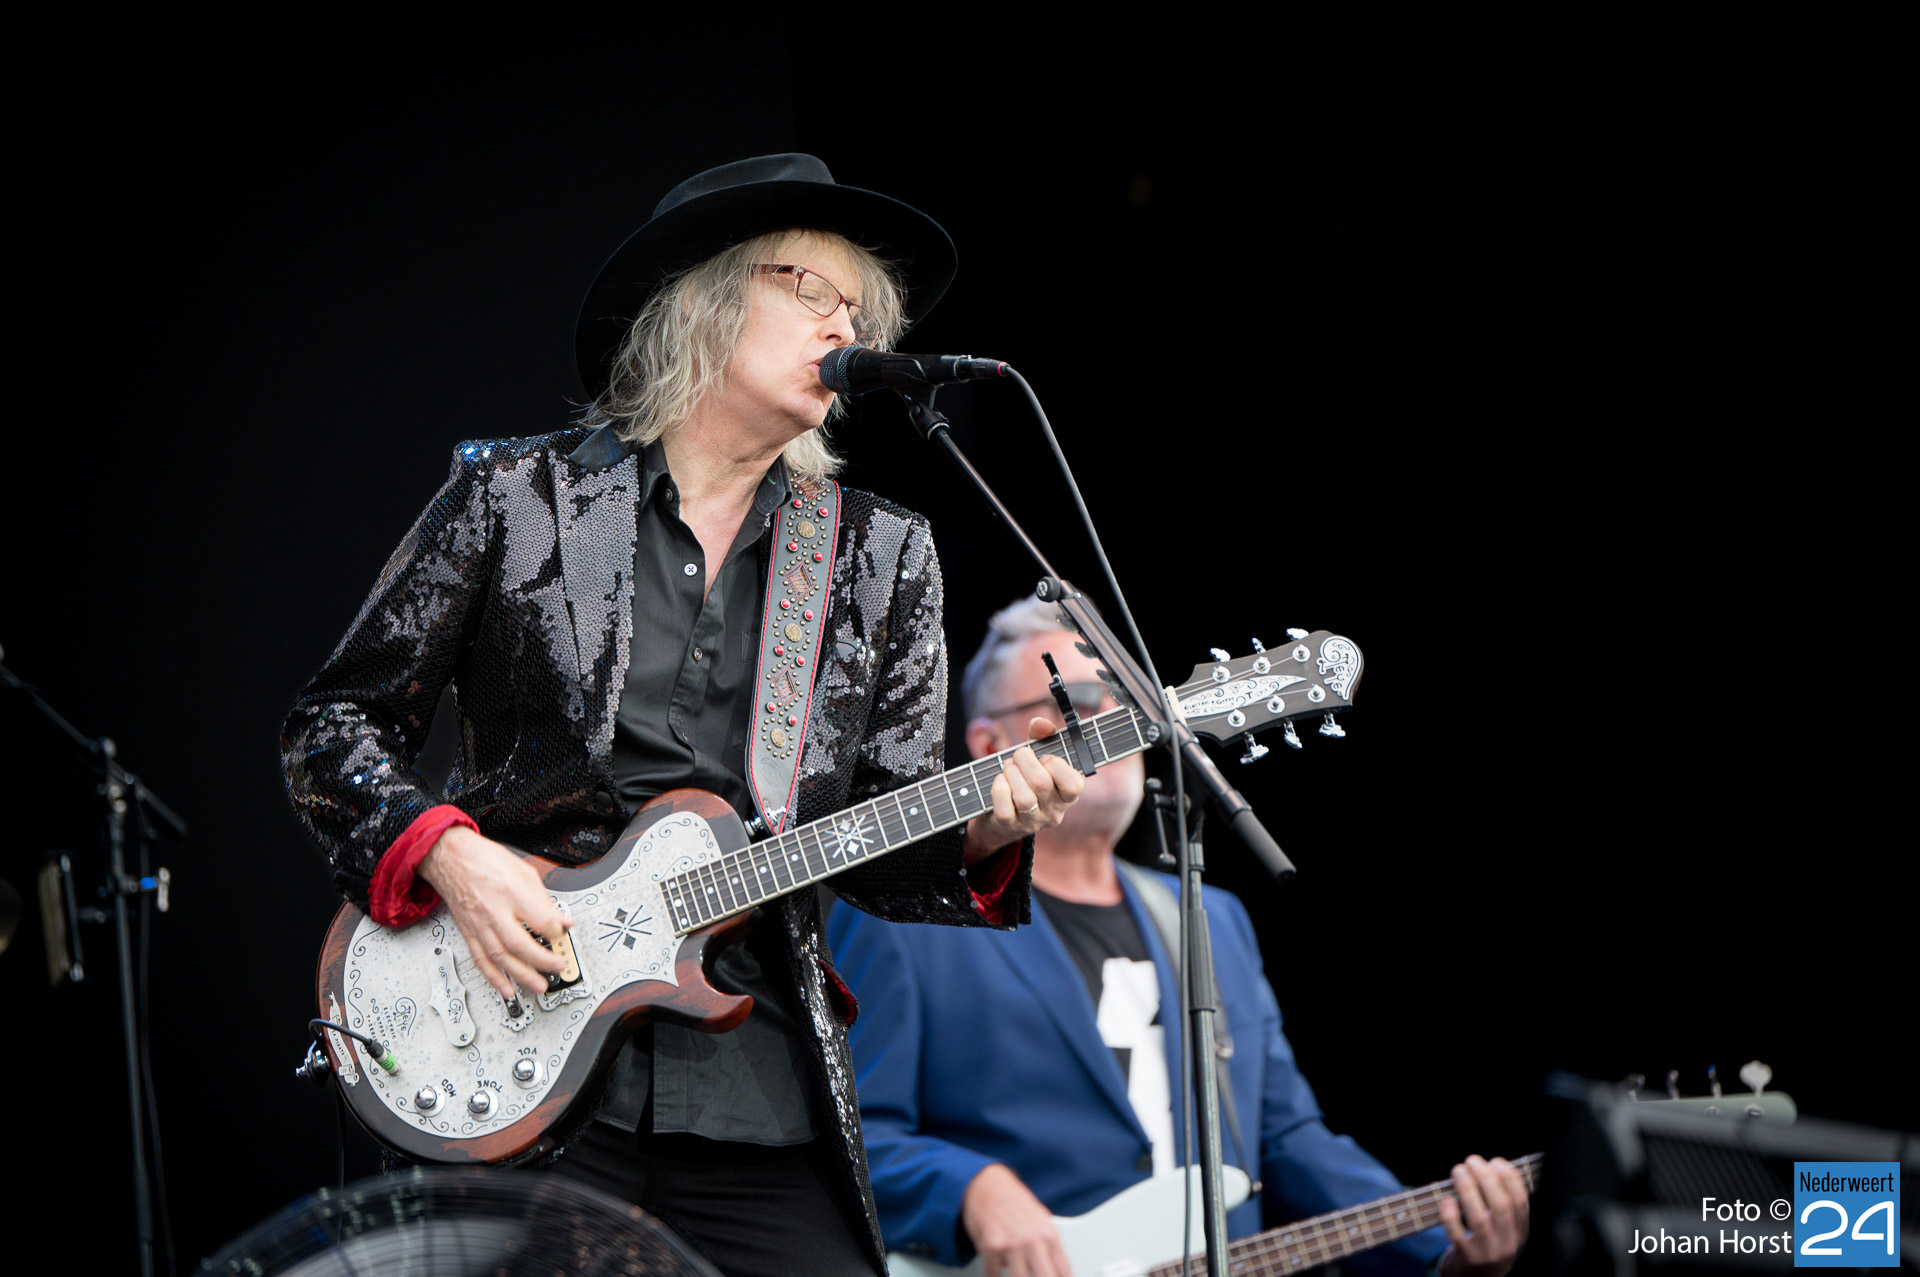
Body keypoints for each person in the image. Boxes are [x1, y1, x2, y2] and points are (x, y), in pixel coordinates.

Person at [281, 155, 1087, 1277]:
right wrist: (454, 858)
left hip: (757, 1082)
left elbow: (879, 834)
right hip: (521, 1055)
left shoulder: (879, 553)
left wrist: (987, 827)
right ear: (705, 298)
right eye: (814, 290)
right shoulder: (518, 500)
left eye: (860, 311)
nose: (845, 326)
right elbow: (332, 727)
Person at [828, 597, 1529, 1277]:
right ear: (988, 745)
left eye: (1124, 699)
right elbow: (856, 1129)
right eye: (1076, 698)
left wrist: (1443, 1249)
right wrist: (971, 1189)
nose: (1114, 721)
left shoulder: (1214, 919)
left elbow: (1286, 1141)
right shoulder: (906, 916)